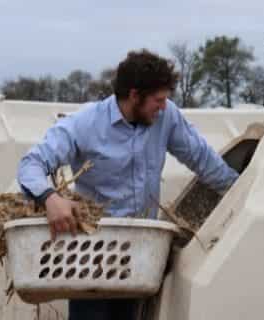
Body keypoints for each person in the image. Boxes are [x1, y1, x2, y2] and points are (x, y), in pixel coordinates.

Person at [17, 49, 239, 320]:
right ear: (134, 95)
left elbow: (204, 161)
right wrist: (51, 198)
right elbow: (31, 165)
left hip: (142, 255)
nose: (163, 106)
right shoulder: (85, 123)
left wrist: (241, 192)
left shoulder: (166, 117)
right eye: (157, 100)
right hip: (92, 255)